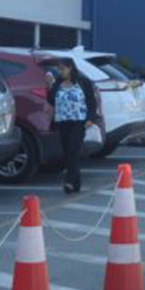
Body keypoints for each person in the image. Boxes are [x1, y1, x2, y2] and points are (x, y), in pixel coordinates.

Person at [46, 61, 94, 194]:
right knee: (67, 152)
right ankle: (76, 183)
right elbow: (52, 100)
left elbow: (91, 100)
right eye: (59, 69)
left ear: (70, 68)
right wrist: (49, 86)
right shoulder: (58, 82)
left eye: (63, 69)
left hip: (78, 121)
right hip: (62, 121)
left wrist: (91, 118)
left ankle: (69, 181)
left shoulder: (83, 82)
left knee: (73, 150)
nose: (60, 72)